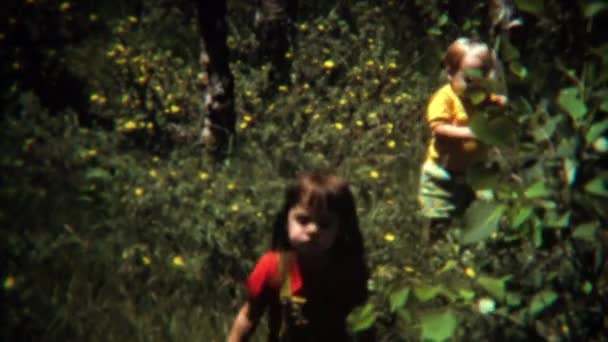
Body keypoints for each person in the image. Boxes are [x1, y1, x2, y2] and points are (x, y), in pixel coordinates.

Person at [227, 171, 370, 341]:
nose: (313, 230)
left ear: (340, 229)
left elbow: (366, 324)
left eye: (325, 224)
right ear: (286, 220)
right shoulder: (273, 267)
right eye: (303, 220)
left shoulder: (348, 270)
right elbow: (249, 316)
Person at [418, 38, 508, 242]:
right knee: (439, 220)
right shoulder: (446, 97)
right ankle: (435, 255)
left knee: (476, 217)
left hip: (474, 173)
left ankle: (472, 250)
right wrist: (472, 132)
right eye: (468, 79)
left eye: (482, 78)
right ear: (450, 73)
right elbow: (438, 127)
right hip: (442, 174)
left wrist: (501, 104)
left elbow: (500, 109)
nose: (475, 86)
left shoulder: (483, 98)